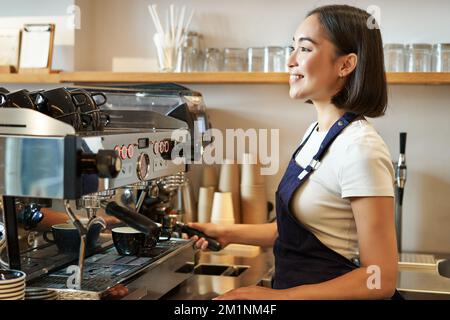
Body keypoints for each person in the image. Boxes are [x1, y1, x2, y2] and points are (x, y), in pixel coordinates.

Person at [189, 4, 402, 300]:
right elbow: (297, 233)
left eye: (304, 49)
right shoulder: (315, 134)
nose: (290, 61)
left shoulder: (361, 149)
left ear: (346, 65)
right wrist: (227, 232)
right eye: (291, 48)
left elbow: (380, 279)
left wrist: (279, 298)